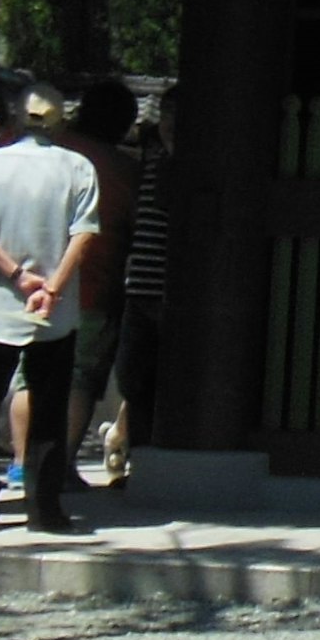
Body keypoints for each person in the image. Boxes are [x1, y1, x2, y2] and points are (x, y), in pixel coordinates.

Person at [0, 90, 102, 533]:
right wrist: (52, 286)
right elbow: (84, 234)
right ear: (59, 124)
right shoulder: (78, 167)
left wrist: (18, 277)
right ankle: (45, 507)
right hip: (54, 308)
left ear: (17, 119)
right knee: (49, 405)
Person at [57, 80, 142, 485]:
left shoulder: (52, 151)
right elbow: (131, 224)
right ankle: (62, 462)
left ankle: (27, 461)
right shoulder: (122, 169)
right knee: (80, 378)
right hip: (95, 281)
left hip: (33, 281)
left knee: (31, 376)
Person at [107, 86, 176, 482]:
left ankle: (150, 454)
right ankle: (137, 448)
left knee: (164, 376)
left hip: (171, 286)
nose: (170, 123)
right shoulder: (146, 155)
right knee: (132, 374)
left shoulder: (190, 160)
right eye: (166, 114)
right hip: (140, 284)